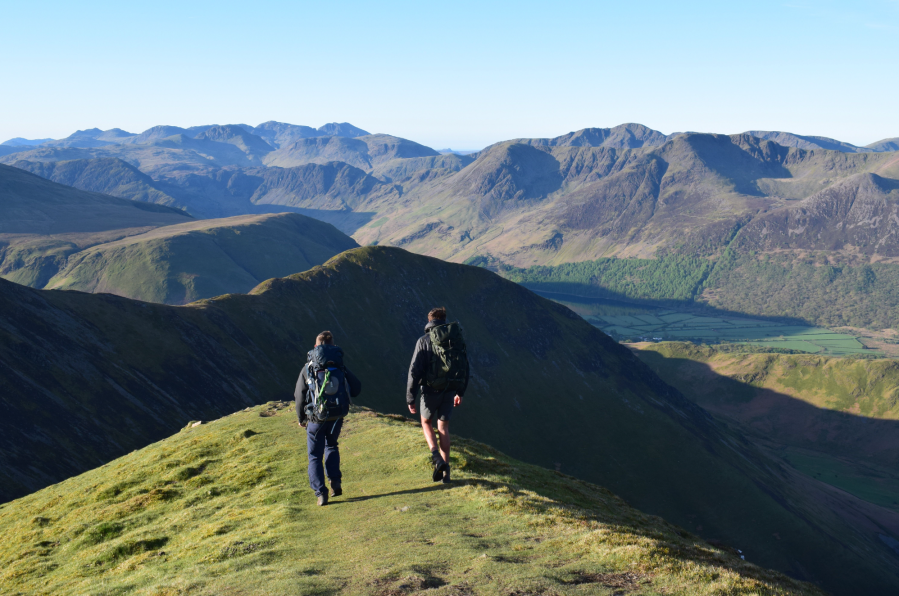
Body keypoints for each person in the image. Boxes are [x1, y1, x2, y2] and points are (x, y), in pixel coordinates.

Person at [295, 331, 361, 506]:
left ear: (316, 346)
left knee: (315, 455)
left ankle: (320, 493)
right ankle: (335, 483)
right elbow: (356, 388)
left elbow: (299, 395)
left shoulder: (309, 367)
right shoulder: (339, 366)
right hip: (337, 415)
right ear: (333, 345)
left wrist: (301, 417)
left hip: (316, 418)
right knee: (331, 445)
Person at [406, 307, 469, 484]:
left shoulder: (424, 341)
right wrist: (460, 392)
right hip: (450, 389)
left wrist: (410, 397)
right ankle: (446, 473)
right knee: (444, 428)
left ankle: (436, 458)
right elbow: (465, 366)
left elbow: (414, 371)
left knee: (426, 422)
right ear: (444, 320)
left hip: (430, 390)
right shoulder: (455, 340)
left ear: (430, 321)